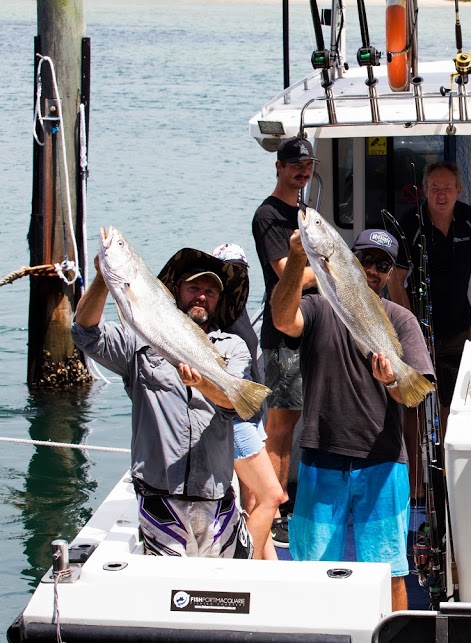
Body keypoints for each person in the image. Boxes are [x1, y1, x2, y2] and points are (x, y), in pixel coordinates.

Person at [272, 228, 434, 610]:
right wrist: (296, 259)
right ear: (348, 261)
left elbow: (410, 396)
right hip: (320, 455)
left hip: (382, 462)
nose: (373, 270)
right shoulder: (318, 305)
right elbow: (283, 320)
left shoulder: (402, 319)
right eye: (365, 260)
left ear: (391, 272)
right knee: (311, 567)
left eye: (383, 264)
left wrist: (392, 378)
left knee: (390, 571)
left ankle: (396, 636)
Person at [72, 248, 254, 558]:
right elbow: (84, 333)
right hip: (160, 496)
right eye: (194, 288)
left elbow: (237, 405)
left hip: (215, 496)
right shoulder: (139, 339)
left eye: (210, 291)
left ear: (219, 300)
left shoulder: (233, 348)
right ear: (176, 291)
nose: (201, 296)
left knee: (218, 591)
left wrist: (202, 383)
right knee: (170, 589)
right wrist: (104, 279)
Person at [388, 160, 471, 418]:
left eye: (447, 188)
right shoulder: (410, 224)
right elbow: (395, 278)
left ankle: (447, 459)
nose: (441, 194)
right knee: (412, 403)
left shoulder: (469, 218)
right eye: (434, 187)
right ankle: (414, 461)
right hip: (418, 330)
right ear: (425, 191)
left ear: (458, 189)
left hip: (459, 327)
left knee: (453, 402)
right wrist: (410, 326)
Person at [252, 135, 319, 546]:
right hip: (282, 331)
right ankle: (272, 508)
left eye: (307, 165)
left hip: (310, 326)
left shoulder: (304, 212)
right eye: (294, 164)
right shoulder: (269, 216)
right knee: (280, 425)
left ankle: (286, 501)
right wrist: (332, 271)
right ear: (278, 166)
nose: (302, 171)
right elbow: (285, 272)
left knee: (298, 417)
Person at [209, 243, 288, 561]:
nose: (236, 278)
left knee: (255, 502)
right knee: (272, 495)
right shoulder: (216, 319)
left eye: (241, 271)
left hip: (253, 415)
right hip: (236, 419)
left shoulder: (237, 311)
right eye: (228, 272)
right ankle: (244, 568)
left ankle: (270, 571)